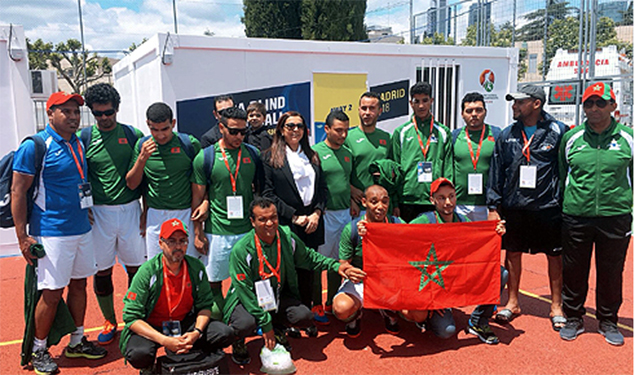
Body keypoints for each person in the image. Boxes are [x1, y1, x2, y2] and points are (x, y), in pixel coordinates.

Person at [12, 92, 106, 375]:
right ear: (50, 113)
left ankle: (77, 341)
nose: (74, 117)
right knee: (52, 293)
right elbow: (18, 191)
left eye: (76, 112)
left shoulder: (77, 142)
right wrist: (22, 237)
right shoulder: (36, 146)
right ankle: (40, 349)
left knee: (80, 285)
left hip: (81, 229)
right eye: (66, 111)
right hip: (51, 232)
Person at [223, 197, 365, 365]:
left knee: (303, 315)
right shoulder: (242, 250)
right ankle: (239, 341)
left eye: (273, 217)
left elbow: (309, 257)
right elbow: (244, 291)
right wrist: (265, 323)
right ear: (252, 222)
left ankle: (278, 330)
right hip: (247, 299)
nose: (269, 223)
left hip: (275, 295)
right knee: (246, 323)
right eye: (262, 219)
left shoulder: (286, 236)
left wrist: (336, 266)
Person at [487, 85, 567, 331]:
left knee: (554, 255)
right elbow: (496, 171)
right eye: (514, 102)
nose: (514, 106)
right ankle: (512, 303)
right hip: (515, 205)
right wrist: (493, 205)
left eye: (520, 102)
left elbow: (566, 170)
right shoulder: (507, 134)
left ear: (536, 103)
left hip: (548, 206)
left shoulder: (559, 131)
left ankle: (556, 306)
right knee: (512, 253)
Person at [558, 82, 633, 346]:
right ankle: (574, 318)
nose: (594, 108)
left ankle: (608, 320)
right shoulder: (572, 138)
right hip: (577, 214)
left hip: (616, 216)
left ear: (613, 106)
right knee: (574, 269)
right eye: (589, 103)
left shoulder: (628, 138)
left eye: (600, 103)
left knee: (611, 270)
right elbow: (562, 175)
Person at [121, 218, 234, 373]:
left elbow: (205, 306)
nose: (178, 246)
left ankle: (192, 352)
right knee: (139, 354)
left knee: (224, 333)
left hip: (184, 322)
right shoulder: (147, 272)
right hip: (154, 325)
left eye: (182, 241)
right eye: (171, 241)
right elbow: (131, 317)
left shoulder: (195, 267)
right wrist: (164, 340)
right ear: (161, 243)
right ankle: (149, 368)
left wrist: (196, 333)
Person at [82, 83, 146, 345]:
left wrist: (146, 210)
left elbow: (146, 178)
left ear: (116, 109)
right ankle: (110, 319)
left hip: (131, 210)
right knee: (102, 271)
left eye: (108, 112)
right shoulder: (84, 138)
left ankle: (134, 319)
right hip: (98, 214)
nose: (104, 118)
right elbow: (80, 177)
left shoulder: (133, 135)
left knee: (136, 269)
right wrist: (83, 208)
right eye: (98, 114)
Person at [410, 178, 508, 344]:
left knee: (500, 273)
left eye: (451, 196)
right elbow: (397, 237)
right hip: (433, 284)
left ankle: (478, 321)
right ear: (432, 200)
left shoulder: (463, 221)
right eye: (441, 198)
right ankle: (426, 316)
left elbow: (479, 245)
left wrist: (496, 232)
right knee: (446, 332)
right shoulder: (424, 221)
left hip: (455, 279)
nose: (448, 202)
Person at [262, 111, 328, 335]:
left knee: (308, 272)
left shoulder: (313, 155)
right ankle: (288, 320)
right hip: (288, 224)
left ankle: (306, 317)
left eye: (300, 126)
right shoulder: (270, 158)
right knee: (287, 275)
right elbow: (268, 194)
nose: (295, 130)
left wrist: (317, 214)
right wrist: (293, 216)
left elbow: (322, 190)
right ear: (281, 129)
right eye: (290, 126)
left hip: (312, 222)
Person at [191, 107, 263, 309]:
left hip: (248, 231)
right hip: (217, 232)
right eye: (233, 131)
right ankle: (223, 323)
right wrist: (198, 233)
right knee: (214, 281)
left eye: (243, 131)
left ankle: (255, 319)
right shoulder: (205, 157)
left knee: (254, 279)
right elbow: (197, 198)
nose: (239, 136)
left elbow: (261, 192)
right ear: (221, 127)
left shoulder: (253, 154)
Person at [333, 185, 422, 338]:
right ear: (364, 202)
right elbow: (344, 264)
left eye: (385, 202)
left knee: (419, 314)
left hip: (390, 281)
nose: (380, 207)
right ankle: (356, 316)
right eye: (374, 202)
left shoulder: (396, 224)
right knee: (342, 308)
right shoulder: (353, 228)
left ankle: (389, 312)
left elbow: (415, 243)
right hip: (362, 280)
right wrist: (351, 272)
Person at [126, 102, 202, 259]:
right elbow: (132, 184)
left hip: (185, 213)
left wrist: (204, 207)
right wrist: (142, 159)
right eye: (154, 129)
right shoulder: (142, 146)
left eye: (165, 129)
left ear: (173, 124)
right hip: (155, 216)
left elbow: (202, 182)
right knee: (158, 267)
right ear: (148, 125)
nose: (160, 135)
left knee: (188, 265)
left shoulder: (189, 144)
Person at [311, 110, 354, 321]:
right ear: (326, 129)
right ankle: (317, 304)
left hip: (345, 215)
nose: (343, 135)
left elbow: (348, 183)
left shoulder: (347, 153)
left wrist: (354, 200)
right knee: (321, 262)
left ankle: (331, 302)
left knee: (340, 262)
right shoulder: (315, 152)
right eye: (338, 130)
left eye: (346, 130)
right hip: (325, 216)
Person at [390, 82, 453, 222]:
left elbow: (448, 168)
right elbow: (394, 169)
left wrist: (446, 199)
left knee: (433, 243)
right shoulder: (401, 132)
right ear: (410, 103)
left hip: (434, 201)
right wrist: (395, 202)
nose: (421, 106)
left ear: (431, 101)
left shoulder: (443, 132)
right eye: (416, 101)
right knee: (407, 242)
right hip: (407, 201)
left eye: (425, 100)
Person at [451, 92, 501, 221]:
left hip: (487, 205)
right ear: (462, 114)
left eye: (479, 110)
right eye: (469, 111)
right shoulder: (454, 137)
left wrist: (495, 205)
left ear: (485, 112)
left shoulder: (496, 134)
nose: (474, 114)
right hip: (459, 204)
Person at [344, 92, 391, 214]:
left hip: (381, 208)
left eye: (372, 108)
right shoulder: (348, 138)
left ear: (380, 111)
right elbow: (339, 172)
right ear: (359, 110)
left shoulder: (386, 138)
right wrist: (351, 192)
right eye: (364, 108)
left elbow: (393, 171)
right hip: (357, 206)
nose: (367, 113)